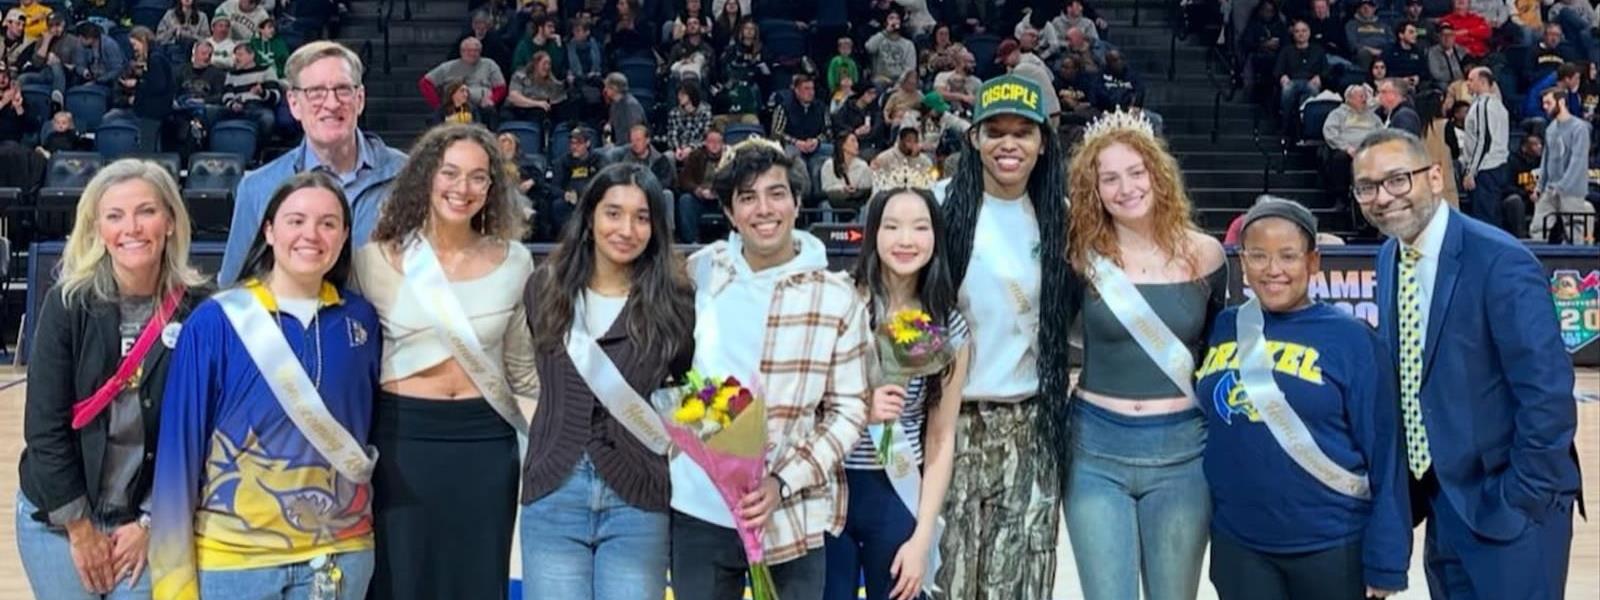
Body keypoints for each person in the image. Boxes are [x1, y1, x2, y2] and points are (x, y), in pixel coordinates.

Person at [1351, 128, 1580, 599]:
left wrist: (1520, 496)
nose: (1382, 197)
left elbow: (1548, 394)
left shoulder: (1499, 260)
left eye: (1397, 180)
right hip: (1442, 500)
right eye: (1367, 186)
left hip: (1511, 505)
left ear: (1434, 177)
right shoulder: (1390, 256)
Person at [150, 171, 381, 600]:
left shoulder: (362, 320)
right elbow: (177, 456)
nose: (311, 234)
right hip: (234, 561)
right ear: (269, 231)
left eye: (328, 223)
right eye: (296, 220)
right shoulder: (215, 321)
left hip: (341, 556)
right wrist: (172, 584)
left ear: (345, 235)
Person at [670, 137, 870, 599]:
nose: (764, 209)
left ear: (797, 203)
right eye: (747, 197)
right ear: (729, 212)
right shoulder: (701, 273)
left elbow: (849, 410)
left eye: (776, 193)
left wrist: (784, 481)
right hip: (700, 508)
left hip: (790, 514)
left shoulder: (836, 296)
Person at [351, 124, 538, 600]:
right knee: (403, 578)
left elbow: (521, 371)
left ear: (492, 187)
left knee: (477, 578)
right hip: (403, 440)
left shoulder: (516, 261)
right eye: (450, 173)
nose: (463, 188)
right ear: (425, 177)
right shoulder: (373, 260)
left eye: (478, 177)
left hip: (486, 445)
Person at [1195, 198, 1410, 600]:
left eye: (1288, 256)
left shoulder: (1353, 339)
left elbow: (1386, 454)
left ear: (1313, 262)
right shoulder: (1225, 326)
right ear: (1242, 261)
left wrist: (1387, 559)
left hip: (1333, 547)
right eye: (1258, 256)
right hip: (1241, 547)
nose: (1273, 270)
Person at [17, 160, 207, 600]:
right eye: (115, 216)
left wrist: (150, 522)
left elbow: (202, 433)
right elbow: (45, 429)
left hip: (147, 517)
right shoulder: (68, 304)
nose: (132, 228)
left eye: (146, 211)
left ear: (171, 222)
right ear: (97, 228)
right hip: (60, 518)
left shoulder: (200, 310)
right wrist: (81, 531)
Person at [1061, 108, 1227, 600]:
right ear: (1094, 190)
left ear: (1158, 175)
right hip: (1095, 450)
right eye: (1108, 178)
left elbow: (1219, 355)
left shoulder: (1207, 255)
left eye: (1135, 173)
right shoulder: (1077, 256)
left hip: (1182, 454)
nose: (1125, 188)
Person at [519, 162, 693, 600]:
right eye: (613, 213)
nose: (627, 229)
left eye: (641, 217)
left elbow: (693, 389)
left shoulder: (676, 303)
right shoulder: (544, 288)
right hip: (555, 489)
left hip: (638, 499)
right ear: (590, 217)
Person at [933, 74, 1076, 600]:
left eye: (1023, 132)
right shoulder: (939, 206)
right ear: (973, 137)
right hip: (952, 423)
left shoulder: (1058, 217)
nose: (1009, 144)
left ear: (1043, 142)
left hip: (1032, 420)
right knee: (950, 576)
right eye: (995, 131)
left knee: (1021, 580)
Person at [824, 175, 972, 600]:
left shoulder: (948, 326)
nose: (905, 239)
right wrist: (859, 408)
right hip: (831, 491)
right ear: (873, 234)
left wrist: (922, 538)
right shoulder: (839, 301)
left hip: (897, 496)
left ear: (935, 237)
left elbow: (941, 437)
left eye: (920, 227)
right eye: (891, 226)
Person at [220, 41, 407, 286]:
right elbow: (235, 292)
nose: (331, 103)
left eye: (342, 89)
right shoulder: (257, 188)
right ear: (294, 104)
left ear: (360, 99)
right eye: (316, 92)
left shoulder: (409, 177)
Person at [1531, 86, 1595, 241]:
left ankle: (1580, 263)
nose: (1545, 107)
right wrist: (1540, 187)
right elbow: (1546, 160)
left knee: (1575, 232)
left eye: (1548, 103)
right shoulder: (1551, 129)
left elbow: (1577, 162)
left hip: (1572, 190)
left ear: (1561, 102)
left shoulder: (1579, 128)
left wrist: (1562, 186)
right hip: (1550, 188)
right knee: (1537, 228)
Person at [1459, 66, 1510, 231]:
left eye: (1471, 80)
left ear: (1482, 82)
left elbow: (1484, 140)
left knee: (1484, 219)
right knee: (1492, 216)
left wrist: (1471, 172)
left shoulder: (1484, 104)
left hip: (1485, 168)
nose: (1468, 84)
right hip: (1497, 166)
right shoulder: (1499, 105)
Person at [1324, 83, 1382, 201]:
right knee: (1339, 158)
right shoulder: (1338, 114)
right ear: (1350, 99)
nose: (1365, 99)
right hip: (1347, 151)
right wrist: (1346, 147)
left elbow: (1382, 133)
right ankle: (1340, 198)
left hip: (1369, 151)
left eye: (1365, 96)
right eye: (1361, 96)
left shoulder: (1372, 116)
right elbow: (1330, 133)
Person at [420, 37, 506, 110]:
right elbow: (425, 83)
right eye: (468, 51)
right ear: (461, 52)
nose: (472, 53)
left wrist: (492, 100)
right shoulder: (448, 67)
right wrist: (438, 105)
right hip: (455, 108)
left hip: (483, 107)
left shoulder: (489, 64)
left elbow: (500, 87)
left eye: (476, 50)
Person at [674, 123, 725, 243]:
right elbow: (684, 179)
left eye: (718, 141)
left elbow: (735, 180)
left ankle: (730, 237)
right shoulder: (696, 156)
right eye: (711, 141)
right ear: (705, 143)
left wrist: (719, 192)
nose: (715, 145)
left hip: (721, 199)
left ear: (723, 144)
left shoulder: (729, 158)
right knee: (685, 200)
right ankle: (691, 242)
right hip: (700, 197)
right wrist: (698, 191)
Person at [503, 50, 565, 127]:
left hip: (536, 114)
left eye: (549, 64)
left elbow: (557, 100)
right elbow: (514, 97)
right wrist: (537, 103)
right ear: (535, 64)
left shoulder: (552, 82)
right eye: (544, 63)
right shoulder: (520, 76)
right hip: (515, 110)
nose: (547, 67)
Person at [821, 131, 874, 212]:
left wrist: (856, 190)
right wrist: (842, 188)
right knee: (825, 204)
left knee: (866, 205)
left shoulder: (863, 166)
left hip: (856, 201)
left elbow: (867, 187)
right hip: (835, 201)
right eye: (852, 141)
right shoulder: (829, 165)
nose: (856, 144)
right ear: (843, 145)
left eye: (857, 141)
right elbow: (826, 187)